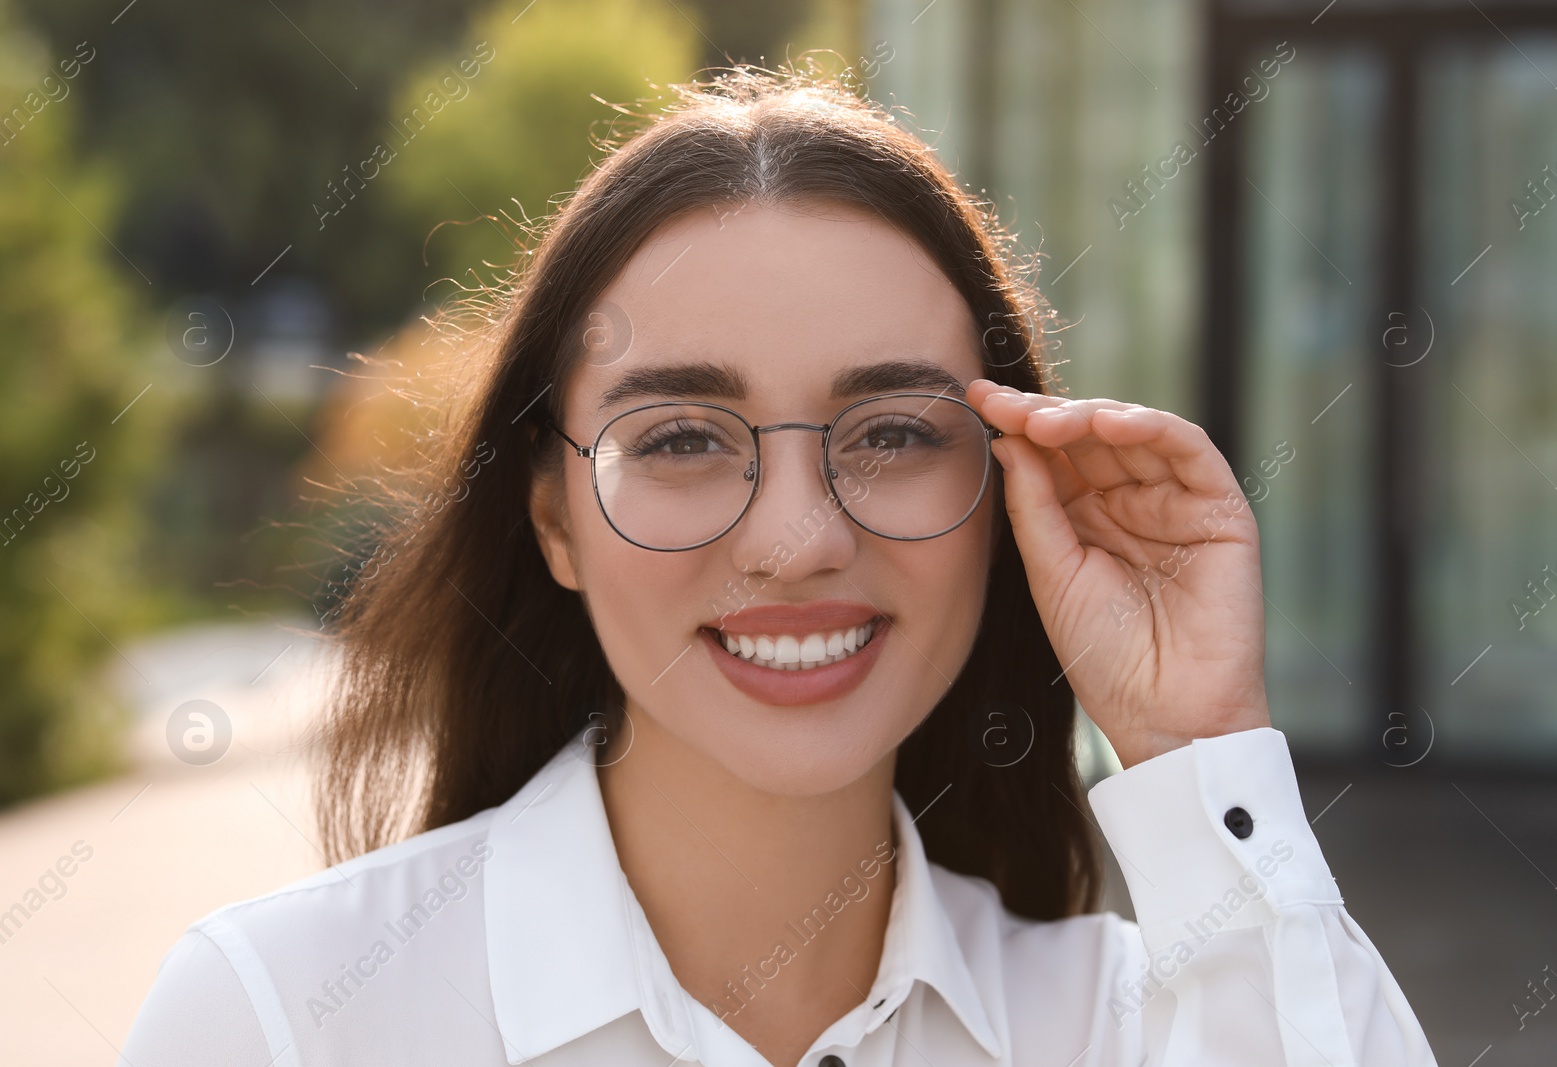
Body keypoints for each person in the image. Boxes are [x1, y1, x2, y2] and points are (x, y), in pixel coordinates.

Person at [121, 60, 1439, 1067]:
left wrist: (1199, 744)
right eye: (685, 436)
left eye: (894, 434)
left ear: (1005, 494)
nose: (799, 540)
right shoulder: (283, 1020)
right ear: (554, 521)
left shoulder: (1133, 1025)